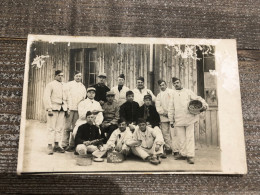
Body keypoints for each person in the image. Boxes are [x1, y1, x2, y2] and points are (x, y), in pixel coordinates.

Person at [168, 77, 208, 164]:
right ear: (173, 85)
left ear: (181, 82)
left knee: (189, 138)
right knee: (181, 138)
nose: (176, 84)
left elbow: (198, 98)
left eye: (177, 82)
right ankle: (183, 154)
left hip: (189, 118)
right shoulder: (173, 94)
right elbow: (171, 108)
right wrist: (171, 120)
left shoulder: (188, 91)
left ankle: (190, 156)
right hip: (178, 120)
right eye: (174, 83)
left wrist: (205, 105)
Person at [43, 70, 68, 155]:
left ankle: (57, 145)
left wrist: (67, 108)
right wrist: (49, 108)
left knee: (59, 128)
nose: (61, 77)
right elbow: (46, 97)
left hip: (62, 109)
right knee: (51, 128)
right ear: (55, 76)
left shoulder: (65, 85)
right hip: (53, 108)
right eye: (59, 75)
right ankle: (50, 145)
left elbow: (67, 97)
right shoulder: (50, 85)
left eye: (62, 75)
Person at [62, 71, 86, 151]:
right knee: (67, 127)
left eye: (79, 76)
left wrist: (81, 108)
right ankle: (64, 144)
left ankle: (72, 144)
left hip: (78, 109)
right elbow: (65, 97)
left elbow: (83, 98)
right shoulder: (69, 85)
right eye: (77, 76)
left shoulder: (83, 86)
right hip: (70, 108)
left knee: (75, 127)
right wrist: (67, 108)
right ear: (74, 76)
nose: (78, 77)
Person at [155, 79, 179, 155]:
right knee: (165, 133)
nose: (162, 86)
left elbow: (175, 103)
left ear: (166, 85)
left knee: (174, 133)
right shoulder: (159, 95)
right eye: (160, 85)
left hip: (172, 115)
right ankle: (168, 148)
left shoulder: (172, 92)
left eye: (163, 84)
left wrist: (171, 113)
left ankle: (176, 150)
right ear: (159, 86)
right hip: (164, 116)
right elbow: (158, 107)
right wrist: (164, 113)